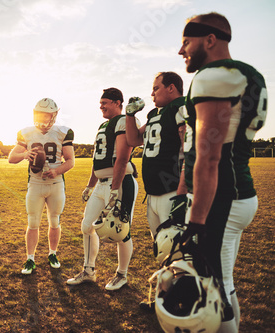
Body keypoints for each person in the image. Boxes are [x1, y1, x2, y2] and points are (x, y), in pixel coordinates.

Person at [177, 12, 267, 332]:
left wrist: (197, 221)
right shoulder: (248, 74)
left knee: (213, 289)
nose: (181, 50)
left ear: (210, 40)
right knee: (222, 281)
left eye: (186, 41)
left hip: (222, 198)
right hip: (236, 192)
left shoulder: (214, 75)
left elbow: (209, 156)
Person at [67, 88, 139, 290]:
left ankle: (121, 275)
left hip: (120, 182)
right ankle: (89, 271)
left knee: (120, 230)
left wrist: (115, 189)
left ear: (118, 102)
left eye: (105, 102)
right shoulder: (103, 125)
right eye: (100, 102)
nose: (101, 106)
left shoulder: (124, 121)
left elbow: (123, 157)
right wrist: (90, 185)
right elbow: (97, 160)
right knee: (87, 226)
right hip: (101, 183)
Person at [8, 98, 75, 274]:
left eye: (47, 115)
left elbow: (70, 161)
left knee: (54, 221)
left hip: (55, 184)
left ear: (53, 116)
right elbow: (11, 158)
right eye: (40, 115)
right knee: (33, 223)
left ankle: (52, 254)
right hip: (36, 184)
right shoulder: (26, 133)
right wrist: (24, 155)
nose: (44, 119)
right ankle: (30, 259)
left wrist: (56, 171)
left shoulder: (63, 132)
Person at [126, 72, 186, 237]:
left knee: (175, 250)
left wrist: (183, 193)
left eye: (156, 89)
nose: (152, 94)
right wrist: (130, 115)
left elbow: (191, 152)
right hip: (153, 193)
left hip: (173, 192)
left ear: (171, 88)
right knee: (161, 249)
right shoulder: (155, 114)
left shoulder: (180, 107)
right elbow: (133, 139)